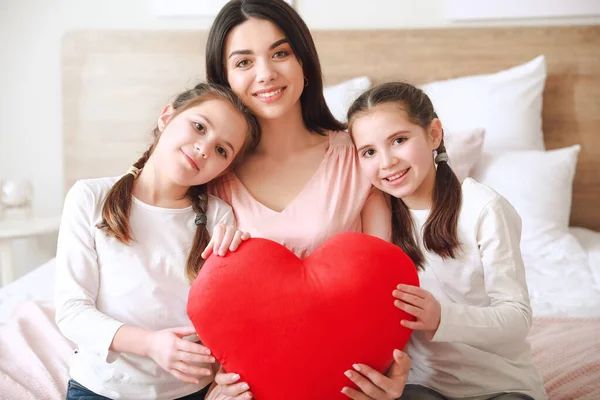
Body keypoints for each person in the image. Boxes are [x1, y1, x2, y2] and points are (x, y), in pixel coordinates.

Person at [203, 1, 412, 399]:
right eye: (244, 62)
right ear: (224, 78)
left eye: (280, 53)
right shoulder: (213, 171)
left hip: (346, 383)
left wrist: (393, 374)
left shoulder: (358, 157)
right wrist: (214, 388)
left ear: (304, 61)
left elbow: (384, 288)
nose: (266, 74)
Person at [55, 82, 259, 400]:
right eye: (199, 127)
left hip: (188, 391)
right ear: (167, 116)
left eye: (222, 150)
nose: (204, 148)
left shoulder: (220, 218)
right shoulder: (90, 197)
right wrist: (151, 345)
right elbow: (71, 311)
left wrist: (240, 258)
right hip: (101, 388)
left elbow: (229, 318)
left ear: (225, 168)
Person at [347, 81, 547, 400]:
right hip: (422, 384)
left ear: (433, 134)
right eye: (369, 151)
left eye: (398, 140)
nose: (386, 162)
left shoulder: (483, 208)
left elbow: (517, 318)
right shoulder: (372, 219)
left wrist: (442, 317)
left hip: (500, 386)